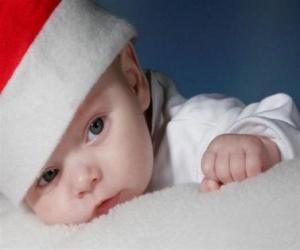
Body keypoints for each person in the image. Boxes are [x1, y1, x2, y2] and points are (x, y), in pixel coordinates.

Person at [1, 0, 300, 225]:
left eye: (95, 127)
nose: (84, 180)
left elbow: (280, 125)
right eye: (49, 174)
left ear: (133, 82)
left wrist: (257, 144)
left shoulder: (200, 135)